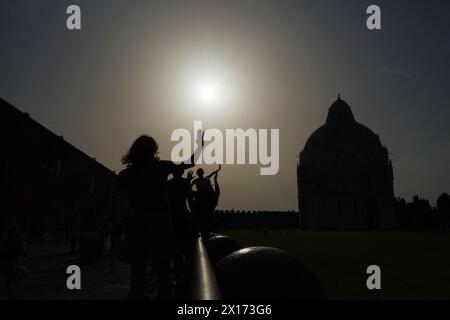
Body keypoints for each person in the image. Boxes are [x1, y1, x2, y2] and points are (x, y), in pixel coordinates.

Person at [117, 132, 203, 299]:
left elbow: (120, 202)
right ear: (154, 151)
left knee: (137, 275)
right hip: (160, 222)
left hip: (138, 223)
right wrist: (200, 146)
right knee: (163, 273)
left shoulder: (126, 175)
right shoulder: (161, 167)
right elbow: (190, 162)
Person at [190, 165, 222, 235]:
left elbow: (212, 173)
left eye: (201, 173)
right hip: (201, 195)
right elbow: (190, 187)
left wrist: (218, 170)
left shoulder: (206, 178)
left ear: (202, 173)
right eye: (199, 173)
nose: (200, 174)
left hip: (207, 196)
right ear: (198, 174)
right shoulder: (196, 180)